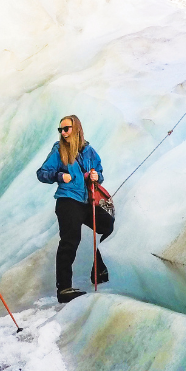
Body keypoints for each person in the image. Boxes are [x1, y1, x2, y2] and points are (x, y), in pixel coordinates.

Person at [36, 113, 113, 304]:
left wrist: (96, 177)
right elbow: (42, 173)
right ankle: (63, 289)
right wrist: (61, 177)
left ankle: (98, 268)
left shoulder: (89, 151)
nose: (63, 133)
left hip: (86, 201)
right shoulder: (58, 150)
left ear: (76, 128)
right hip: (67, 200)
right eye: (60, 130)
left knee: (107, 225)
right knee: (70, 241)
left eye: (66, 129)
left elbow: (99, 172)